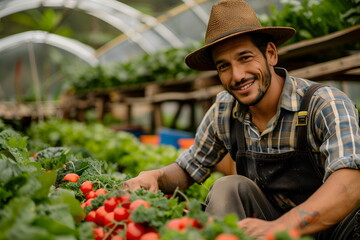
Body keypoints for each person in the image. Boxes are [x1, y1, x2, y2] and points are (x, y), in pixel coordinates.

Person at [124, 0, 360, 239]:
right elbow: (189, 168)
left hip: (338, 229)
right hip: (266, 228)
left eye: (245, 58)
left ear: (270, 53)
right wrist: (156, 176)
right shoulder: (224, 111)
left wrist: (284, 226)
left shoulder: (323, 103)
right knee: (229, 186)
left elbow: (350, 181)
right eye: (224, 66)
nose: (237, 75)